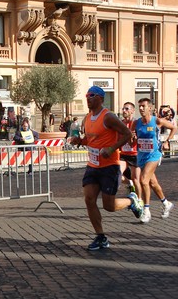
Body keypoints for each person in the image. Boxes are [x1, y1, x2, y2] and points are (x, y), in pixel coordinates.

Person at [68, 86, 144, 251]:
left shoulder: (107, 117)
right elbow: (91, 140)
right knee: (89, 199)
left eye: (92, 95)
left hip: (109, 166)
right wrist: (79, 141)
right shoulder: (87, 118)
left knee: (108, 206)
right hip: (93, 165)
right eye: (87, 95)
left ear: (101, 98)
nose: (88, 98)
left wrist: (111, 149)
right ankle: (101, 237)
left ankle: (132, 200)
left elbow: (127, 134)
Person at [134, 98, 176, 224]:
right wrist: (132, 138)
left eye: (143, 106)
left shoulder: (156, 121)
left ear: (150, 108)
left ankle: (146, 210)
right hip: (142, 155)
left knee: (143, 180)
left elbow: (174, 128)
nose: (141, 108)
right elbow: (133, 140)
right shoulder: (136, 123)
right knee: (152, 183)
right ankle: (166, 203)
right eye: (139, 106)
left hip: (154, 155)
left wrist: (168, 140)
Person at [119, 102, 141, 197]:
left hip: (135, 154)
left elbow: (135, 141)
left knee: (136, 179)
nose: (124, 111)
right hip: (123, 154)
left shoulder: (136, 123)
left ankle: (140, 200)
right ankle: (129, 183)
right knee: (117, 175)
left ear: (132, 111)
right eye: (123, 108)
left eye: (127, 109)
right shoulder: (120, 123)